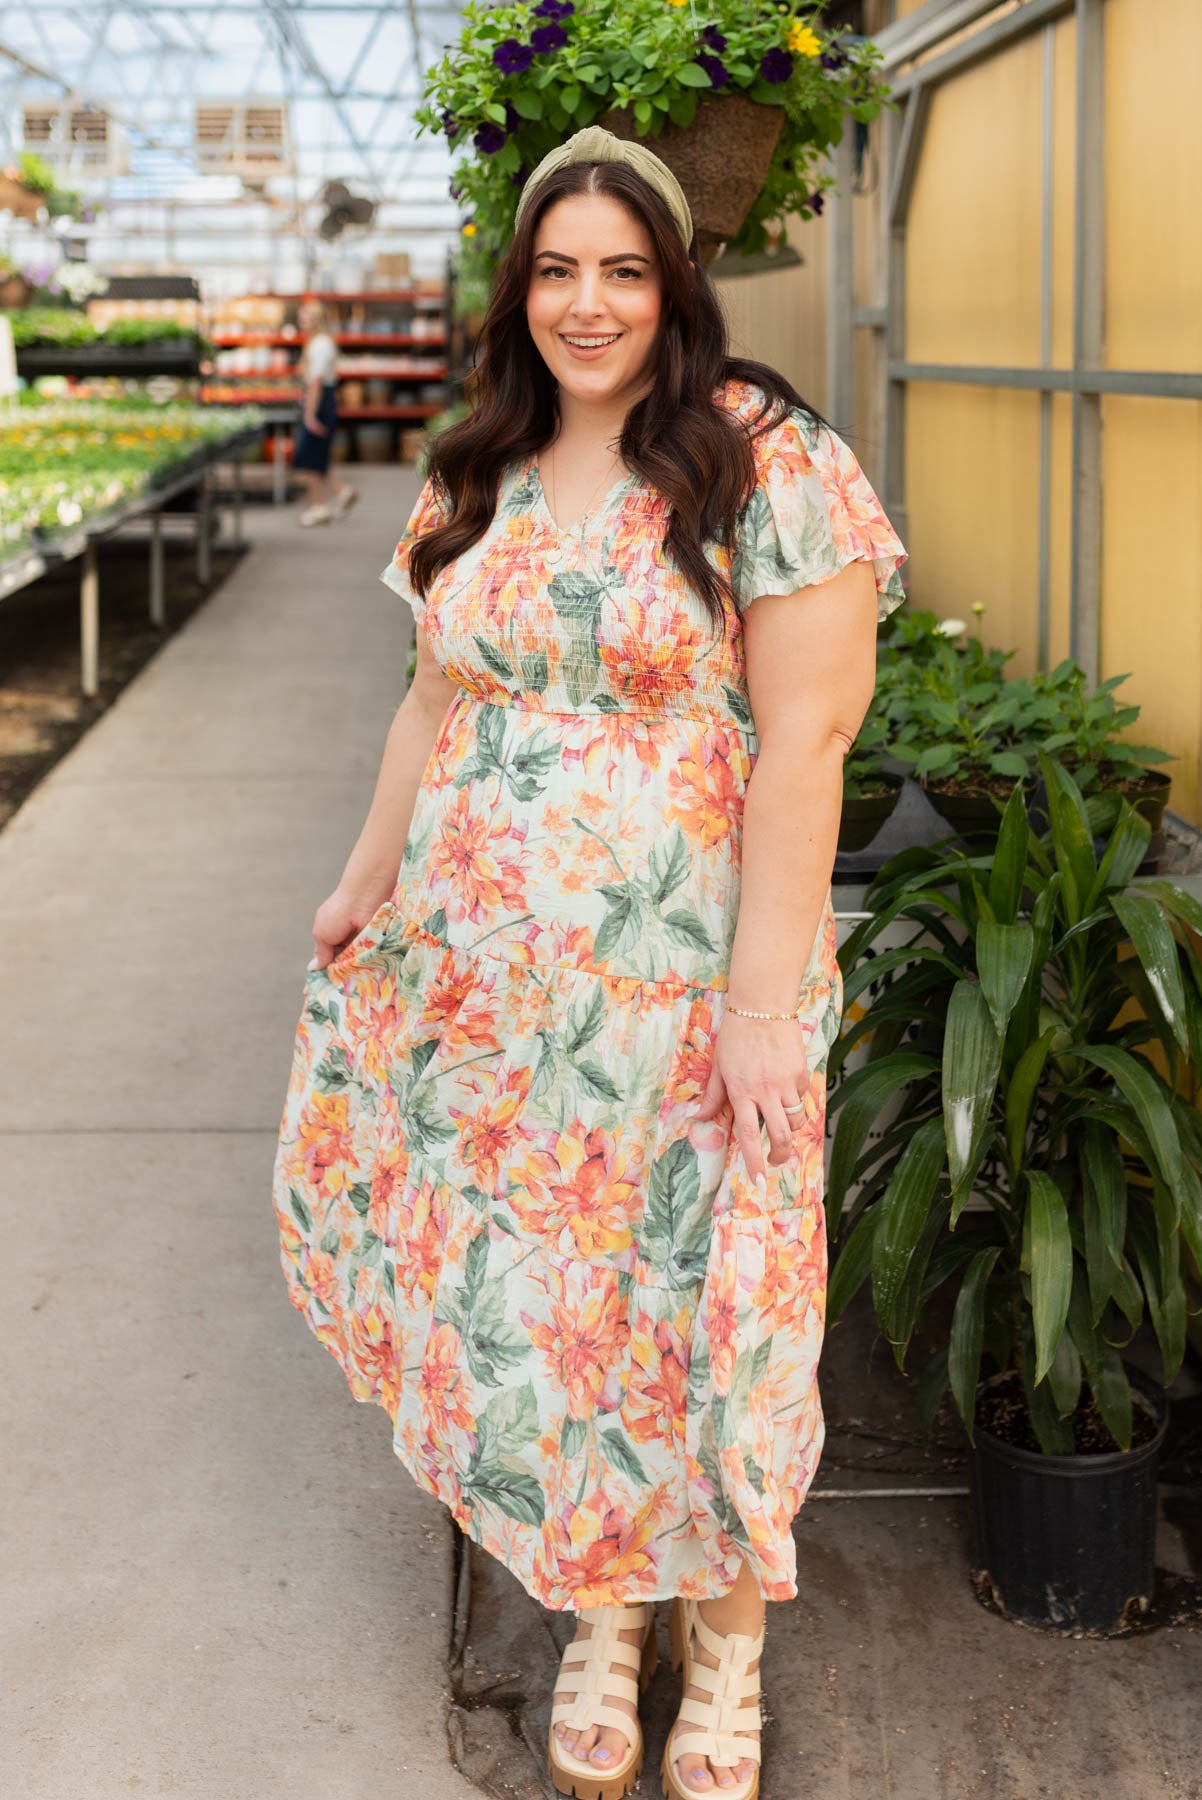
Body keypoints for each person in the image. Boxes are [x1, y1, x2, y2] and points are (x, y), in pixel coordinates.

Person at [271, 125, 906, 1800]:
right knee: (562, 1317)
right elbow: (434, 699)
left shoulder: (759, 455)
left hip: (698, 989)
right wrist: (362, 879)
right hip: (496, 1001)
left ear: (676, 281)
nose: (588, 301)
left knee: (715, 1309)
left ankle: (729, 1647)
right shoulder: (476, 463)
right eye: (556, 269)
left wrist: (763, 1006)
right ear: (518, 291)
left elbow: (808, 742)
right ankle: (604, 1616)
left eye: (624, 268)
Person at [291, 298, 357, 526]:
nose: (302, 324)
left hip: (318, 402)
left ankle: (320, 507)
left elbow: (316, 382)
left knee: (309, 457)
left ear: (316, 321)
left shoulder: (318, 345)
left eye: (305, 319)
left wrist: (309, 415)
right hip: (324, 401)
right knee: (317, 456)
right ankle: (341, 492)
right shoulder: (322, 343)